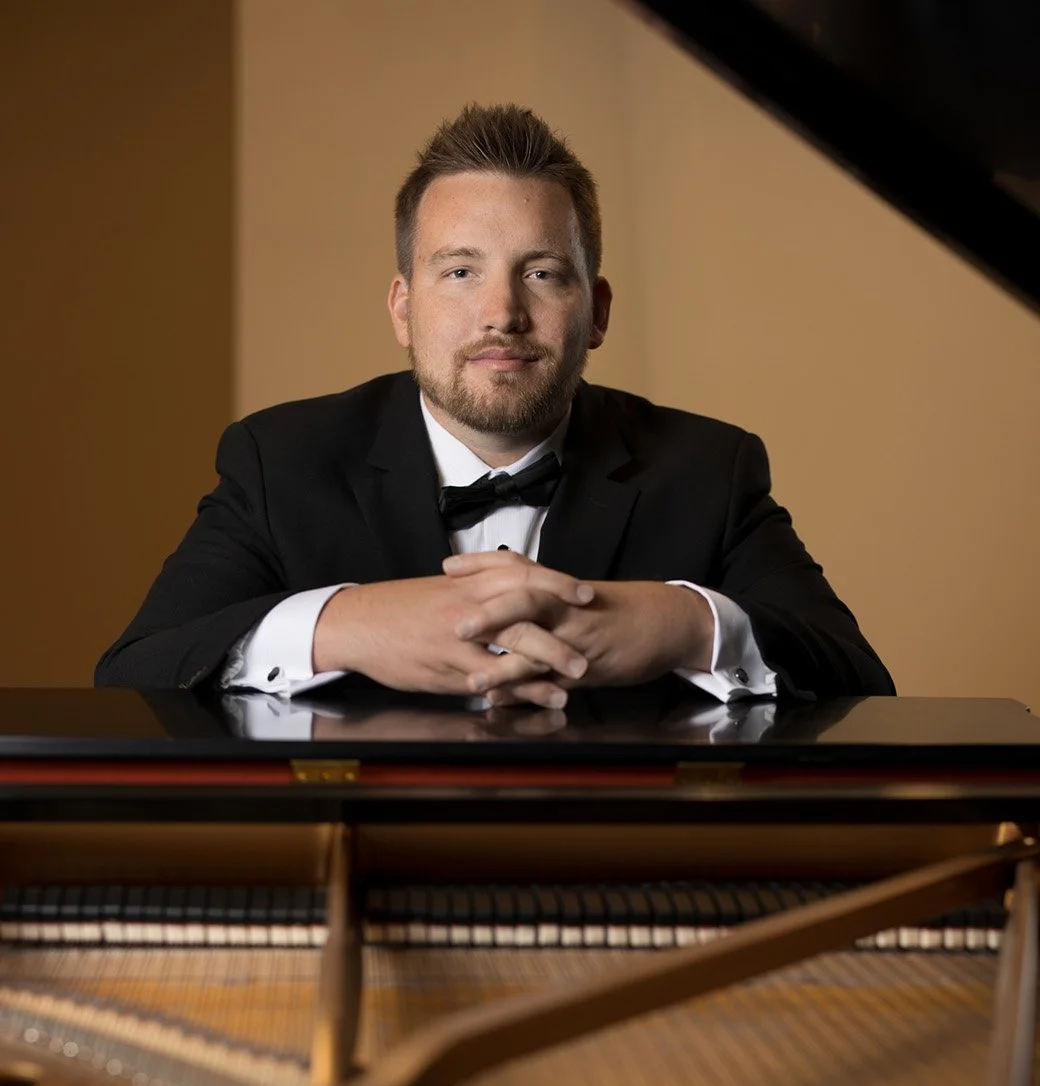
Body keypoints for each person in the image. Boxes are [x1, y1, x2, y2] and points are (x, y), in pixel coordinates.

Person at [96, 104, 894, 708]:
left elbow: (861, 685)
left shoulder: (709, 469)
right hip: (365, 871)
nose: (502, 314)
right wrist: (345, 624)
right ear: (404, 308)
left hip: (629, 888)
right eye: (460, 272)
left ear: (599, 310)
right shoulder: (280, 459)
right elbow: (134, 674)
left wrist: (681, 623)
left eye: (543, 272)